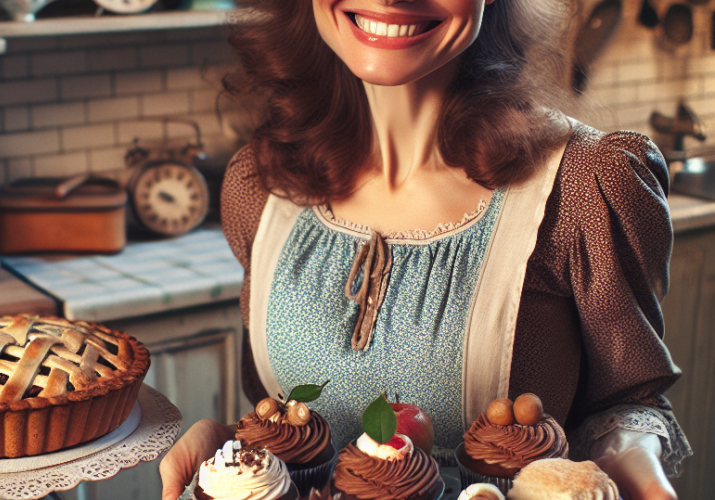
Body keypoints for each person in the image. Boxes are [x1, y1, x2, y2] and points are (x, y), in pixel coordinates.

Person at [160, 0, 692, 499]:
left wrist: (633, 454)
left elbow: (627, 403)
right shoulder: (261, 186)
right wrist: (227, 438)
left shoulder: (584, 183)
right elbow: (287, 425)